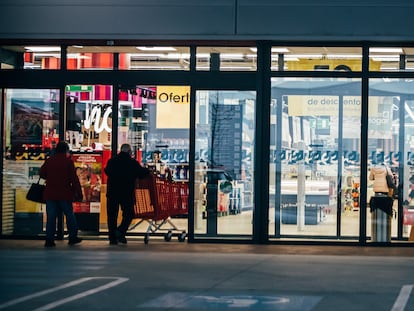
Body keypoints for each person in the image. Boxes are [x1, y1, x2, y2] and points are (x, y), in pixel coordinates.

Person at [39, 141, 83, 247]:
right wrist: (79, 193)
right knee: (69, 215)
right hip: (65, 193)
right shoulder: (68, 162)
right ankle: (72, 237)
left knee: (51, 216)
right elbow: (74, 179)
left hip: (51, 193)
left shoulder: (50, 161)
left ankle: (50, 239)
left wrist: (50, 178)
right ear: (66, 150)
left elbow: (42, 173)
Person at [104, 143, 149, 245]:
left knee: (112, 215)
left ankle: (112, 238)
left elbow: (107, 171)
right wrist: (148, 171)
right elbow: (142, 173)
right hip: (126, 193)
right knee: (129, 214)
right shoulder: (132, 163)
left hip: (112, 192)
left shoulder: (112, 161)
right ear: (129, 152)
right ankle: (120, 231)